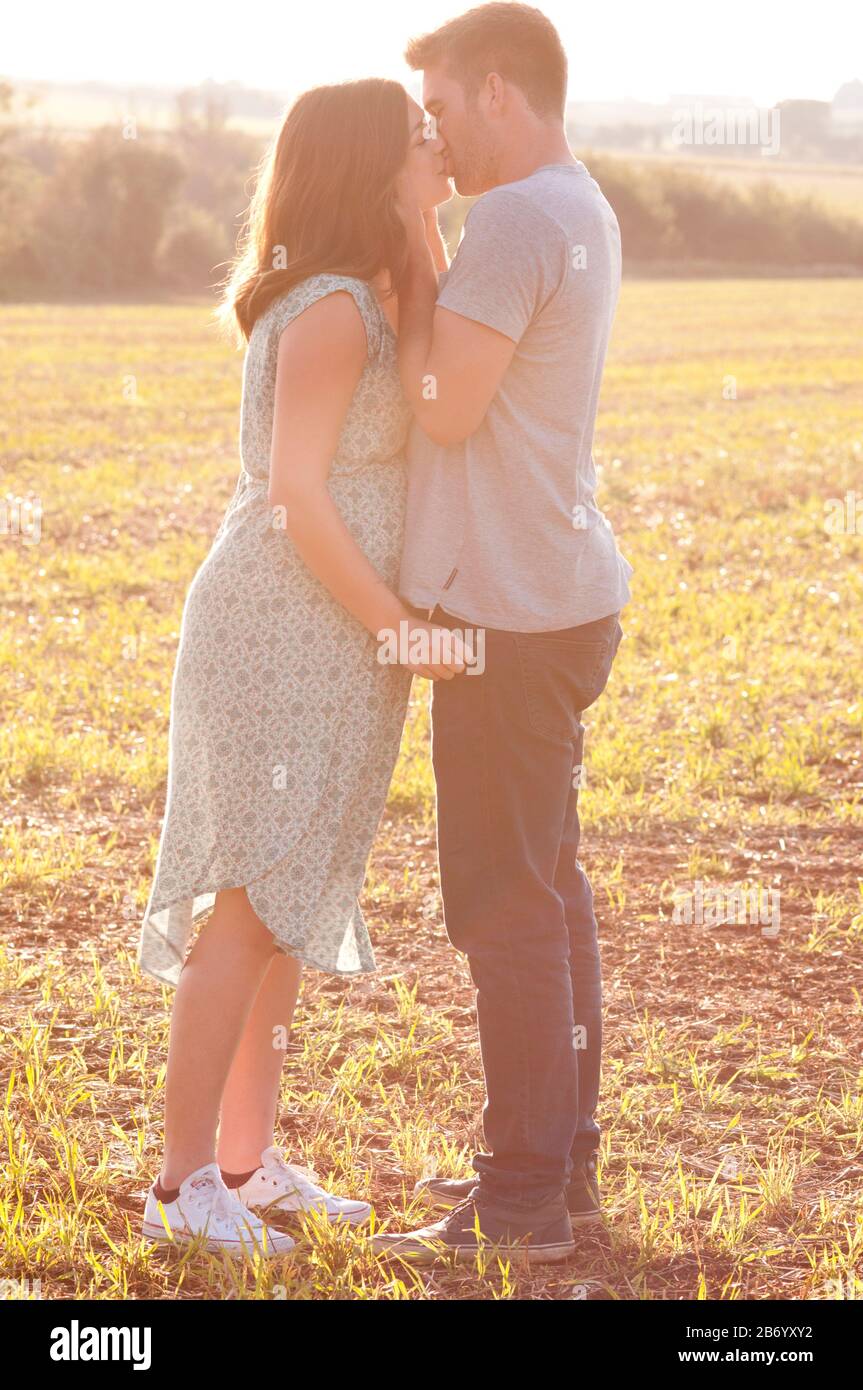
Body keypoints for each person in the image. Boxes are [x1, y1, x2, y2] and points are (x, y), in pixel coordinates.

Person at [136, 78, 463, 1256]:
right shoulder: (327, 310)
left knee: (278, 912)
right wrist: (400, 629)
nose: (442, 143)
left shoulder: (369, 290)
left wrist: (422, 215)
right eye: (419, 136)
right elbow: (296, 499)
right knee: (245, 911)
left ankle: (246, 1162)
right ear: (366, 160)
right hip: (284, 626)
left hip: (326, 632)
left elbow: (431, 374)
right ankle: (181, 1190)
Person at [371, 3, 634, 1266]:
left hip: (504, 616)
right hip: (562, 596)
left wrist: (415, 237)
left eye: (437, 113)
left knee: (500, 905)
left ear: (495, 91)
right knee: (549, 889)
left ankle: (523, 1196)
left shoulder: (514, 219)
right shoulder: (578, 202)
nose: (433, 137)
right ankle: (560, 1160)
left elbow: (441, 406)